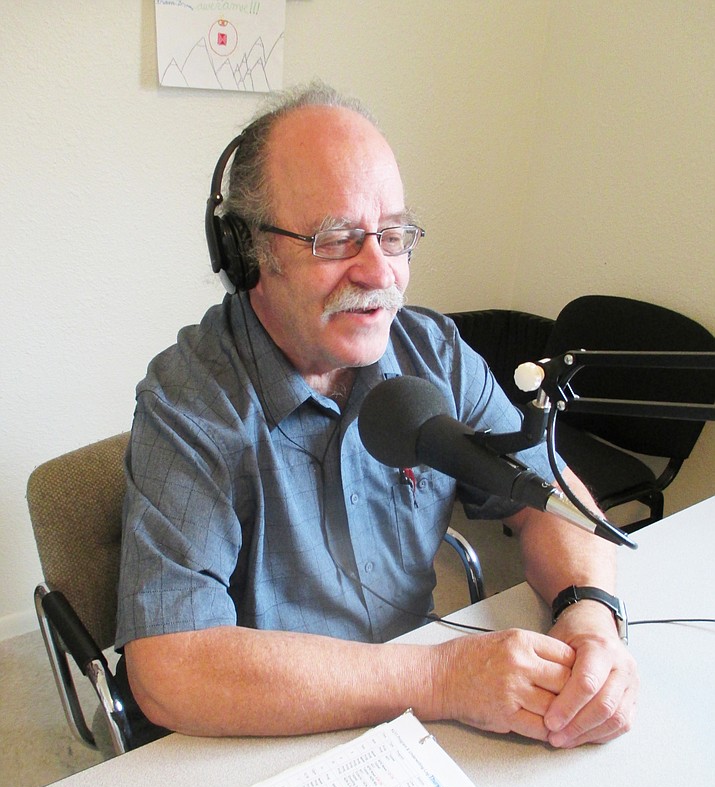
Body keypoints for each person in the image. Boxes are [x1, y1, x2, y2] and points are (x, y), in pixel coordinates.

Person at [116, 81, 638, 748]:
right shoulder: (188, 400)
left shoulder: (436, 354)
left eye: (393, 235)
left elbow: (548, 495)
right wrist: (441, 678)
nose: (379, 271)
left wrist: (588, 614)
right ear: (251, 255)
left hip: (414, 727)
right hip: (263, 730)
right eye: (336, 238)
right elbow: (170, 669)